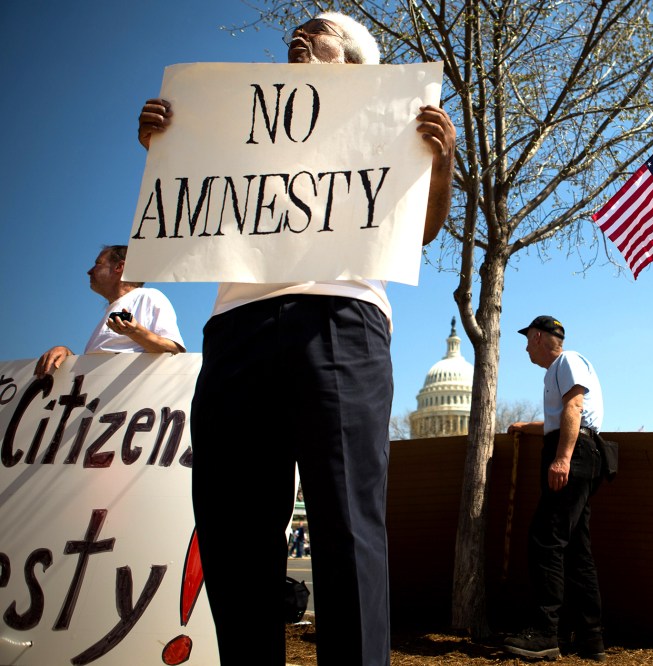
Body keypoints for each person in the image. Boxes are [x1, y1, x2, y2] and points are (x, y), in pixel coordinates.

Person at [137, 11, 455, 666]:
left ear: (358, 64)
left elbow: (418, 234)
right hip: (238, 327)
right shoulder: (235, 123)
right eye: (295, 33)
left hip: (341, 321)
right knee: (235, 530)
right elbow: (193, 195)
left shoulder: (383, 127)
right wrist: (172, 145)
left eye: (321, 31)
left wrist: (441, 168)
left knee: (345, 526)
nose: (302, 37)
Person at [505, 315, 607, 662]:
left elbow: (575, 407)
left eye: (527, 340)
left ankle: (546, 633)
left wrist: (562, 459)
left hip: (574, 453)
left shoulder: (567, 361)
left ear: (537, 336)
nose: (525, 348)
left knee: (546, 540)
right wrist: (527, 427)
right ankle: (591, 640)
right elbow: (560, 418)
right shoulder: (558, 371)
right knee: (577, 549)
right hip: (579, 451)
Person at [34, 244, 185, 377]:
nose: (89, 271)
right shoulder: (113, 310)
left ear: (119, 267)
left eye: (98, 264)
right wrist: (68, 355)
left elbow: (173, 350)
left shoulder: (148, 297)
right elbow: (97, 368)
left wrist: (135, 332)